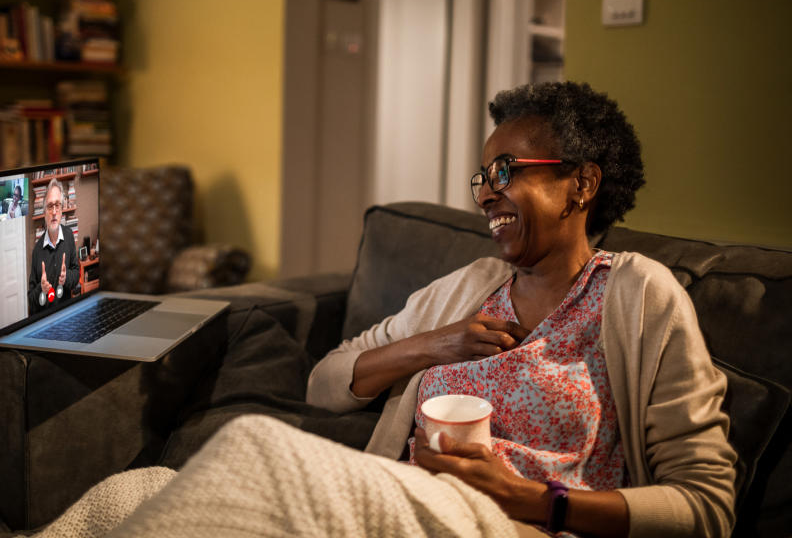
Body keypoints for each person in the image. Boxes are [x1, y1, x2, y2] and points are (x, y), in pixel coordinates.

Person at [306, 81, 736, 537]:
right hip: (405, 506)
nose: (487, 195)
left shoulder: (640, 294)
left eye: (506, 171)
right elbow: (323, 385)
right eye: (484, 178)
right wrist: (434, 344)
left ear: (582, 184)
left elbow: (705, 506)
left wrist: (522, 497)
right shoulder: (466, 288)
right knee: (248, 442)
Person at [28, 178, 80, 313]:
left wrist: (66, 277)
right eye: (50, 206)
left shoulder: (69, 236)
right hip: (45, 320)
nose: (54, 211)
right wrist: (42, 288)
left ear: (62, 209)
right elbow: (31, 300)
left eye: (58, 205)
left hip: (67, 315)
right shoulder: (37, 251)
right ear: (45, 212)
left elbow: (76, 273)